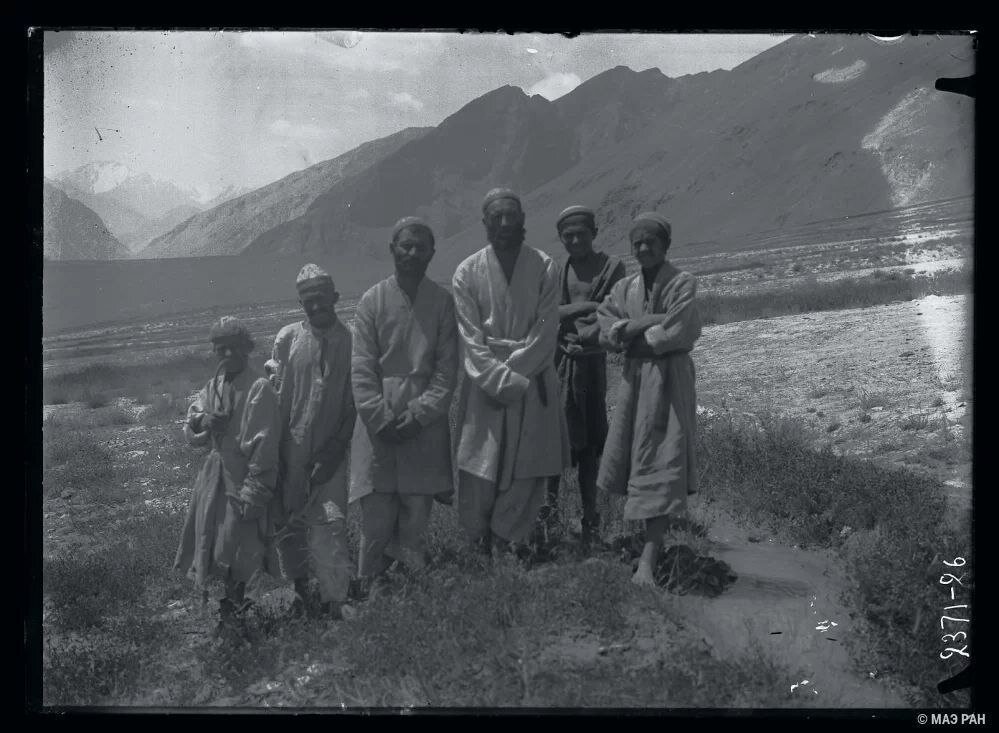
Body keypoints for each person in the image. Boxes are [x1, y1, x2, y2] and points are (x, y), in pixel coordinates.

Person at [451, 188, 571, 556]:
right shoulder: (466, 273)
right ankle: (477, 546)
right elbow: (470, 339)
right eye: (497, 217)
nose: (505, 223)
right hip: (483, 386)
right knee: (479, 466)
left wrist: (515, 372)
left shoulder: (545, 266)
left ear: (522, 220)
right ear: (485, 222)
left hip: (532, 381)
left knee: (527, 468)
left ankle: (509, 545)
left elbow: (546, 329)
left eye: (512, 216)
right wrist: (500, 379)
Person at [350, 217, 459, 592]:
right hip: (376, 425)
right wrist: (380, 418)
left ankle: (411, 595)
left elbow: (446, 372)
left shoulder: (443, 303)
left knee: (415, 511)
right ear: (392, 250)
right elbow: (361, 370)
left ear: (432, 253)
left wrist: (420, 415)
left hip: (423, 426)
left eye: (420, 247)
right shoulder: (371, 301)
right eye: (405, 246)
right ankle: (371, 591)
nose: (412, 253)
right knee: (376, 516)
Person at [596, 212, 702, 586]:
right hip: (634, 382)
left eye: (650, 241)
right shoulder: (624, 289)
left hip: (669, 382)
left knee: (662, 459)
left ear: (665, 244)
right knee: (635, 459)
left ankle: (648, 559)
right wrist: (642, 324)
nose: (643, 248)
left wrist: (630, 330)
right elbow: (605, 328)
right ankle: (643, 545)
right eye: (637, 242)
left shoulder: (683, 283)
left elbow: (672, 332)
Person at [174, 316, 281, 630]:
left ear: (247, 349)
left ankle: (235, 605)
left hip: (243, 476)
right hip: (214, 476)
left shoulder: (258, 387)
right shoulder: (214, 386)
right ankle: (230, 609)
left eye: (235, 348)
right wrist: (205, 422)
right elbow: (193, 419)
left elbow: (265, 444)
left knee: (238, 542)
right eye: (222, 349)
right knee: (213, 539)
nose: (229, 355)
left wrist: (255, 490)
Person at [270, 264, 356, 618]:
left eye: (322, 299)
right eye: (308, 301)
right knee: (289, 524)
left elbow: (354, 402)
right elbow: (277, 396)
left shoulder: (352, 339)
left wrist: (335, 450)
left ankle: (337, 601)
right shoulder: (288, 338)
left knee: (330, 522)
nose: (316, 307)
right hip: (288, 450)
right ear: (300, 303)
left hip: (330, 451)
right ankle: (303, 592)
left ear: (334, 297)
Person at [543, 205, 626, 548]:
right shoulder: (557, 270)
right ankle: (548, 520)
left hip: (592, 366)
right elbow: (549, 312)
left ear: (594, 232)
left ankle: (590, 518)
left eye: (581, 233)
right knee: (553, 441)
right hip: (559, 362)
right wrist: (586, 309)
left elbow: (614, 311)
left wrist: (578, 325)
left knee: (590, 444)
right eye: (568, 236)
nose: (575, 240)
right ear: (561, 238)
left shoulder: (611, 267)